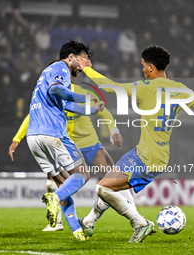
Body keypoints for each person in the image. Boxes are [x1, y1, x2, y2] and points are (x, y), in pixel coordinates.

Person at [76, 45, 194, 243]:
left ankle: (141, 224)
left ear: (152, 68)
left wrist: (86, 68)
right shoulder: (181, 90)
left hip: (147, 157)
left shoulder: (145, 88)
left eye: (143, 66)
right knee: (110, 184)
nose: (142, 70)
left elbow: (110, 87)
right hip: (148, 153)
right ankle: (88, 223)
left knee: (103, 188)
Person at [9, 83, 126, 232]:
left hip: (88, 144)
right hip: (65, 145)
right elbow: (32, 115)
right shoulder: (50, 95)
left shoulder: (81, 92)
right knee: (53, 182)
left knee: (113, 177)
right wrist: (17, 139)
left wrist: (114, 130)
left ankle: (133, 216)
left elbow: (104, 112)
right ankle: (58, 222)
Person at [25, 40, 104, 241]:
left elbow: (64, 105)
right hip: (54, 134)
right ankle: (54, 198)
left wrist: (90, 109)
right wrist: (83, 97)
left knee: (63, 183)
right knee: (83, 175)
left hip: (34, 137)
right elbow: (56, 90)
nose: (88, 64)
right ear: (71, 57)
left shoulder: (48, 72)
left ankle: (76, 230)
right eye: (85, 59)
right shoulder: (60, 67)